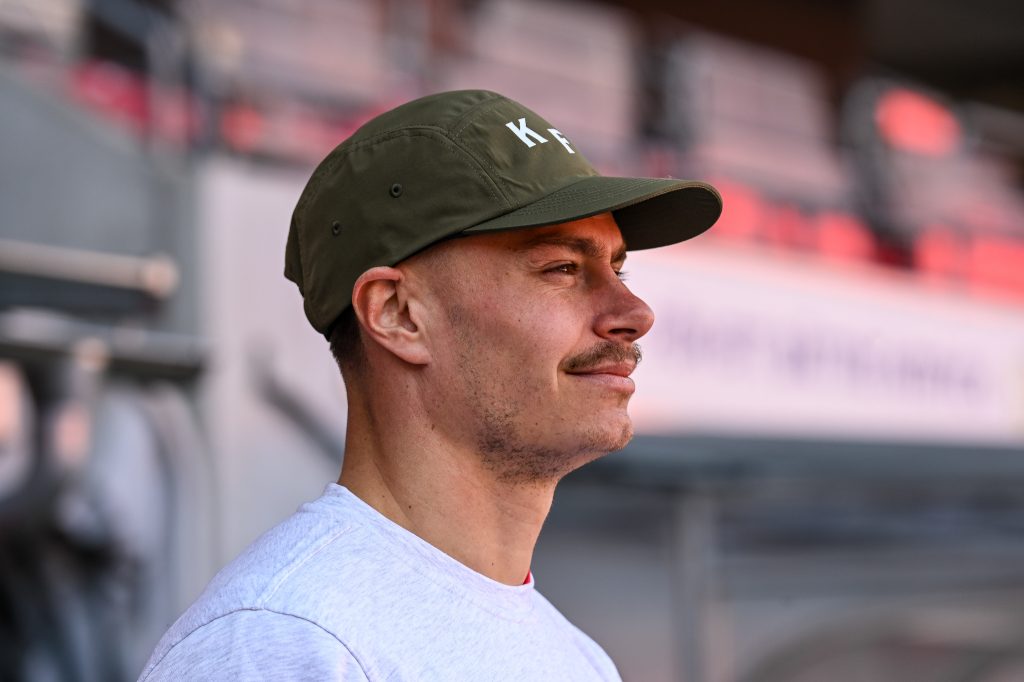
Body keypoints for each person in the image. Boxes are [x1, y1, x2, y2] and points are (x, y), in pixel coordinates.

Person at [139, 89, 721, 681]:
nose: (635, 312)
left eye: (618, 268)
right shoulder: (282, 641)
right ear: (398, 315)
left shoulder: (581, 659)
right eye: (562, 268)